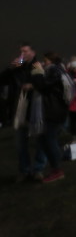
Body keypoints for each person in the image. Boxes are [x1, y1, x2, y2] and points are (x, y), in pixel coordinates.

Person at [0, 43, 42, 181]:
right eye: (21, 51)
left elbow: (43, 83)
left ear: (33, 52)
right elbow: (2, 80)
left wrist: (33, 85)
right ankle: (25, 170)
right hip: (19, 108)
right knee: (20, 143)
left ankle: (38, 169)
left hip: (34, 108)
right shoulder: (17, 68)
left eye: (25, 51)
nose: (22, 54)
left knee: (39, 141)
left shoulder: (37, 65)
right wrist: (11, 68)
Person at [30, 52, 69, 183]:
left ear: (51, 61)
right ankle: (54, 169)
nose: (43, 63)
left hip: (53, 112)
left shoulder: (54, 71)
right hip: (50, 111)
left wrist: (38, 72)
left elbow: (42, 86)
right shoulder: (54, 70)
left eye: (45, 60)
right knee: (44, 141)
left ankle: (57, 170)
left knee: (50, 141)